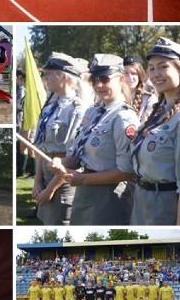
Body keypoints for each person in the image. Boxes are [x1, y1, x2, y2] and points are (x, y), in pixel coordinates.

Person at [54, 54, 139, 225]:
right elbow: (81, 156)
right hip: (84, 191)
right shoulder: (92, 112)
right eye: (94, 80)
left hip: (109, 196)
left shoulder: (124, 118)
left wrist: (83, 179)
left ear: (120, 79)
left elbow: (127, 171)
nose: (99, 85)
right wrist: (62, 162)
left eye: (105, 79)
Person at [125, 38, 180, 225]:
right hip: (142, 201)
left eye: (163, 67)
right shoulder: (158, 113)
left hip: (165, 206)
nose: (155, 74)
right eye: (151, 68)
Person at [32, 53, 89, 225]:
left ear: (63, 76)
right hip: (46, 176)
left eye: (49, 73)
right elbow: (43, 148)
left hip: (64, 181)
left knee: (61, 226)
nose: (45, 77)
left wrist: (50, 189)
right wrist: (37, 180)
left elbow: (72, 159)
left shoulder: (77, 109)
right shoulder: (50, 106)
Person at [122, 55, 156, 123]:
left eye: (134, 73)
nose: (130, 77)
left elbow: (146, 127)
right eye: (126, 73)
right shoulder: (115, 98)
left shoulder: (149, 99)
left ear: (139, 76)